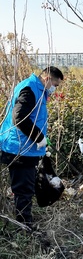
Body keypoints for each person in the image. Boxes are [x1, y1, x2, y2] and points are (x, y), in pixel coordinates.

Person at [0, 66, 64, 229]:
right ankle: (24, 225)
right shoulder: (30, 89)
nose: (55, 89)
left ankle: (24, 220)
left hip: (25, 147)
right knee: (24, 189)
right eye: (55, 85)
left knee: (25, 186)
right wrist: (38, 137)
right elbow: (19, 117)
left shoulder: (36, 89)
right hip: (20, 148)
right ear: (48, 79)